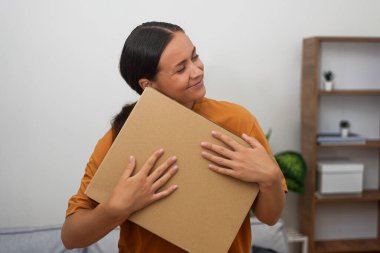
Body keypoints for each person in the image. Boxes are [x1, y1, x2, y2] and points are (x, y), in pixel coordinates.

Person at [61, 21, 287, 253]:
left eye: (195, 56)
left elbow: (269, 217)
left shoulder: (237, 120)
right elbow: (71, 237)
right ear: (148, 84)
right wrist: (117, 209)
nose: (197, 70)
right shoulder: (120, 138)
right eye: (181, 69)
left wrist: (269, 177)